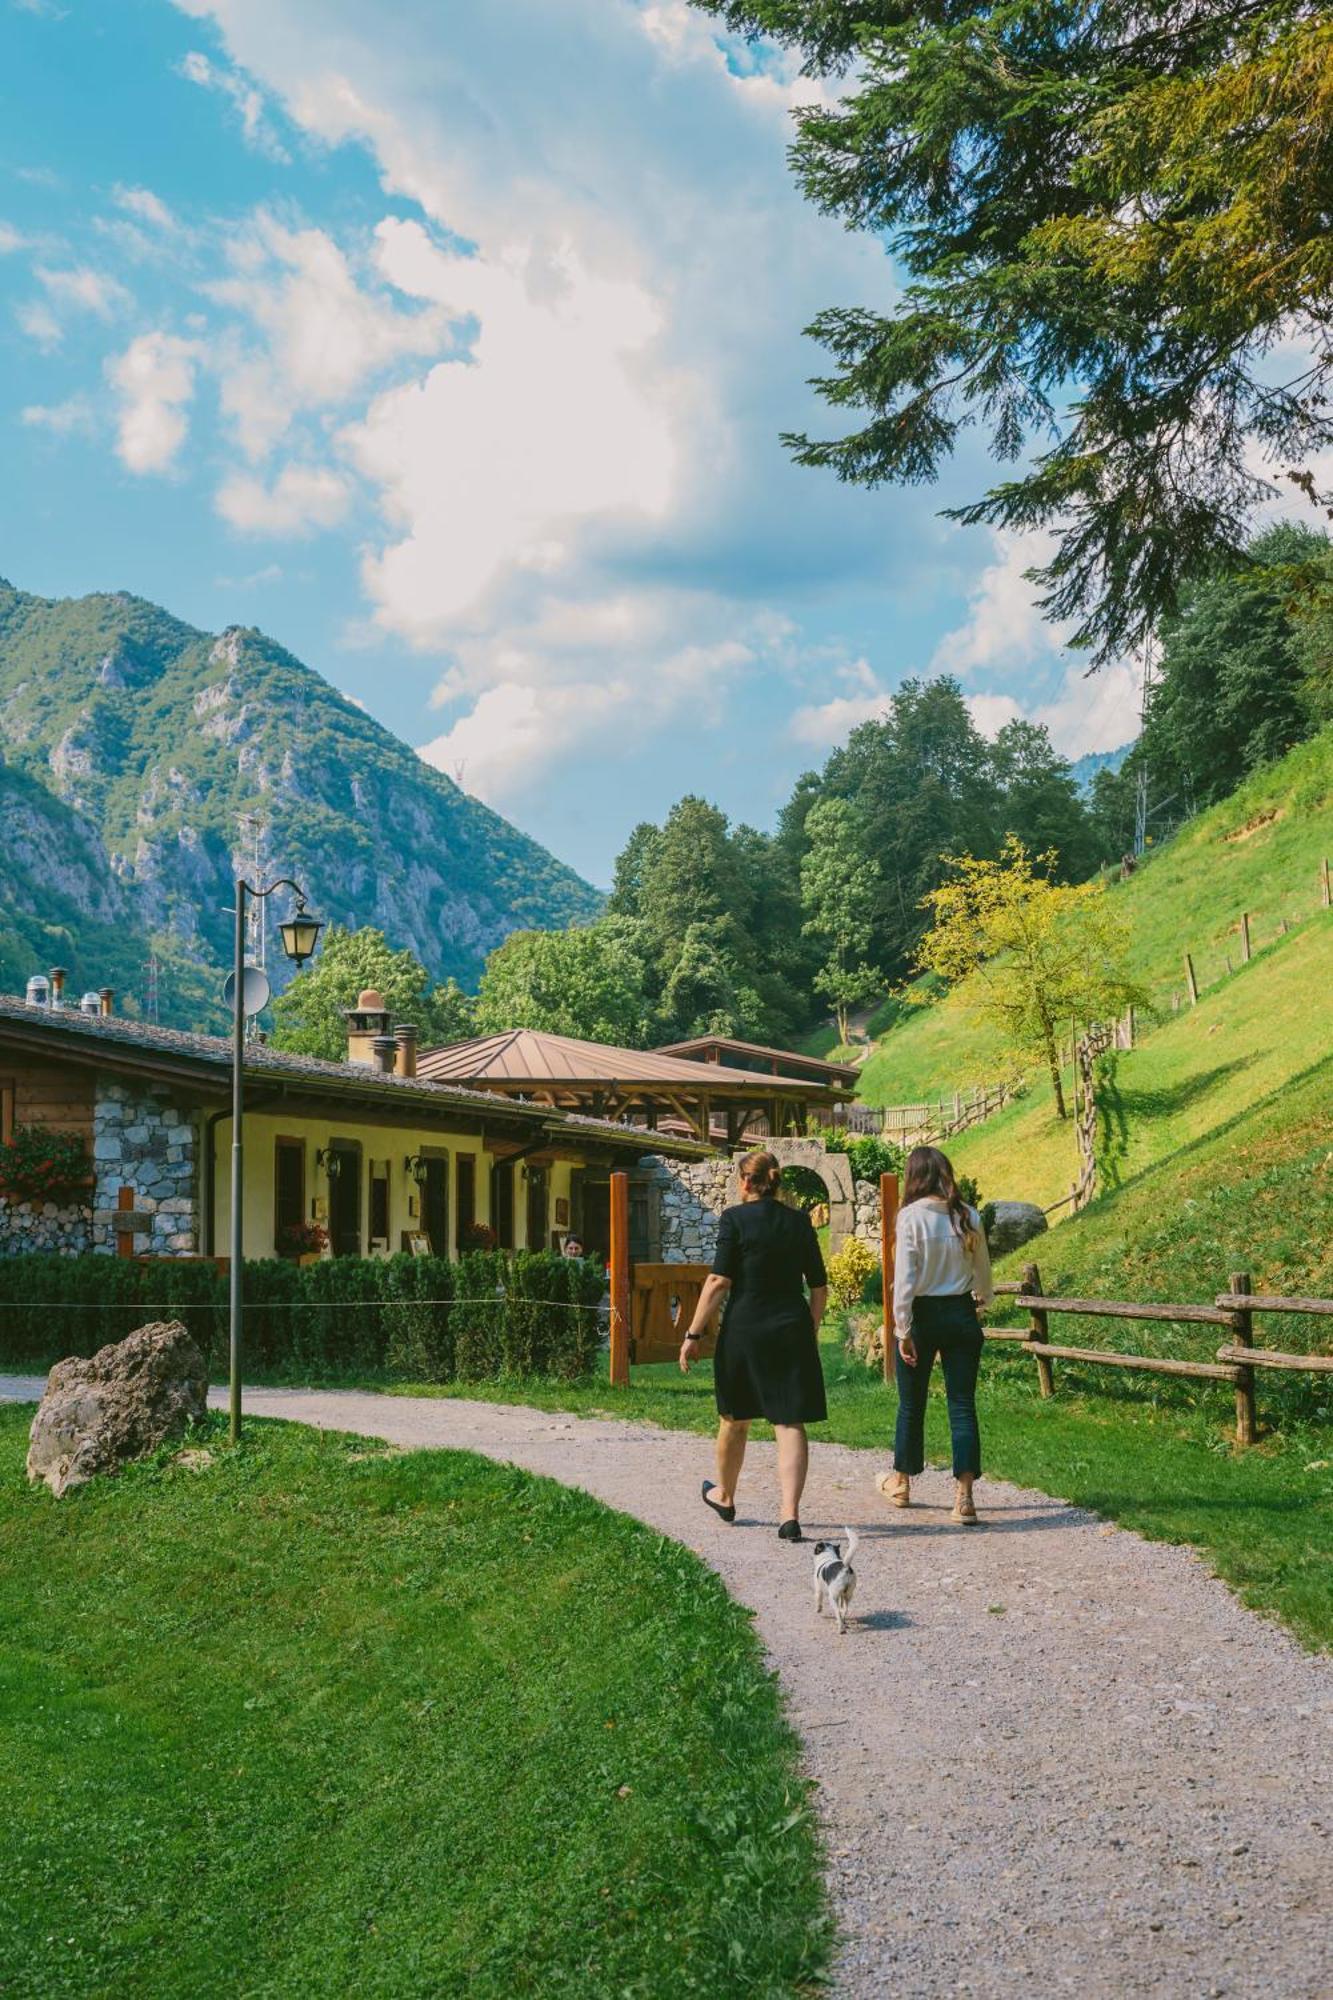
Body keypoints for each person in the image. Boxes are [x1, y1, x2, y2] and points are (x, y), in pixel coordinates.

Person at [679, 1148, 829, 1542]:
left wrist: (692, 1334)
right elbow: (818, 1285)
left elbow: (718, 1282)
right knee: (789, 1420)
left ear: (746, 1181)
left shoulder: (734, 1219)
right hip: (790, 1327)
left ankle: (726, 1495)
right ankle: (789, 1514)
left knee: (735, 1418)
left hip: (745, 1329)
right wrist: (810, 1327)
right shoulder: (799, 1222)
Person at [883, 1145, 994, 1524]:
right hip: (961, 1312)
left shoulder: (910, 1217)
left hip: (923, 1315)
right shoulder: (968, 1216)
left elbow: (905, 1280)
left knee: (911, 1402)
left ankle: (901, 1482)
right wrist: (981, 1304)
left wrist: (902, 1329)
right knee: (962, 1404)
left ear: (914, 1176)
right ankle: (964, 1497)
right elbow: (984, 1272)